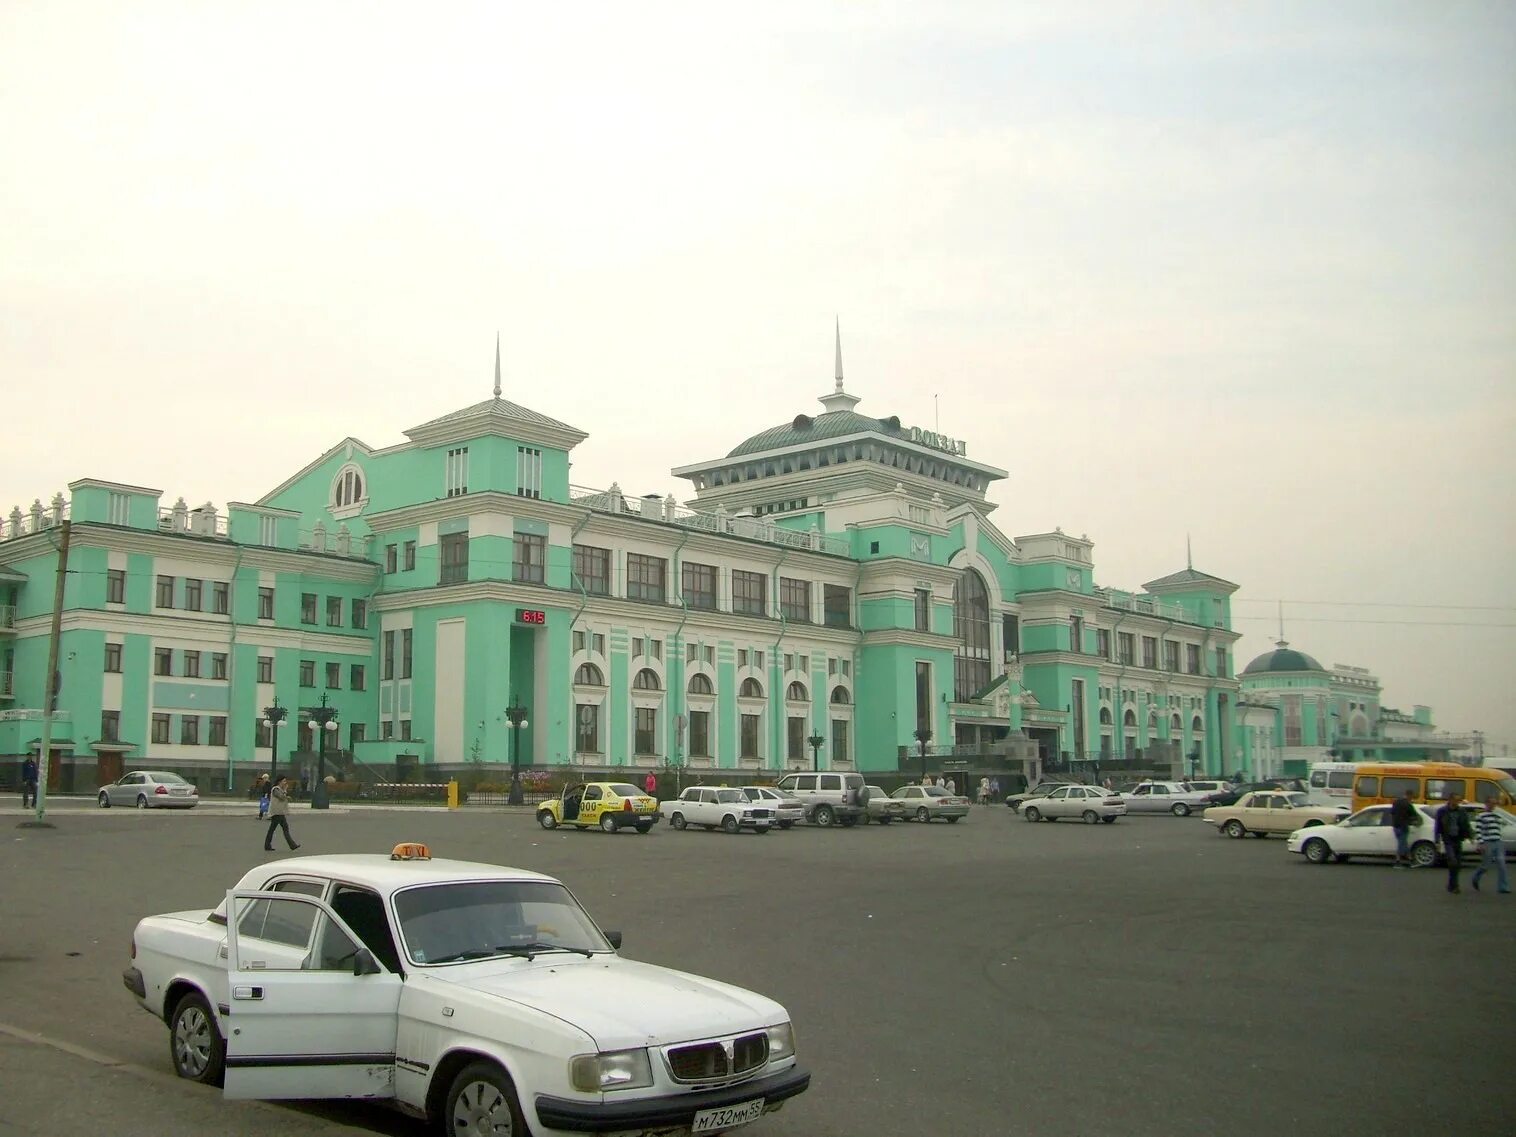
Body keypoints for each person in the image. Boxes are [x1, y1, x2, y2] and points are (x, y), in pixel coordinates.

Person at [1433, 793, 1473, 893]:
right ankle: (1455, 886)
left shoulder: (1461, 811)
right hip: (1448, 839)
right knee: (1453, 861)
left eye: (1458, 801)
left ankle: (1451, 884)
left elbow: (1466, 824)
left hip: (1458, 838)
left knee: (1457, 864)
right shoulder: (1442, 811)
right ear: (1450, 800)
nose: (1457, 803)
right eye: (1455, 800)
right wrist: (1437, 840)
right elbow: (1438, 826)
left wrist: (1470, 836)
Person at [1470, 798, 1510, 894]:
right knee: (1485, 866)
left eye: (1494, 803)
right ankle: (1475, 878)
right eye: (1491, 803)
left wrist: (1499, 812)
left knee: (1502, 865)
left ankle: (1503, 887)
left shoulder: (1496, 815)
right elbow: (1478, 830)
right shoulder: (1481, 816)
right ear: (1486, 803)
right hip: (1487, 842)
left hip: (1498, 842)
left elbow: (1505, 822)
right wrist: (1481, 843)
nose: (1493, 805)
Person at [263, 777, 300, 853]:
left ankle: (267, 845)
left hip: (279, 812)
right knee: (284, 828)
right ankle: (292, 845)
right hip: (277, 813)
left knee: (273, 829)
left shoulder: (279, 789)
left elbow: (283, 797)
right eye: (284, 781)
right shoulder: (276, 789)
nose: (285, 783)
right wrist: (285, 791)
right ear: (279, 782)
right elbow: (281, 797)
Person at [1389, 788, 1422, 868]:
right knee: (1402, 844)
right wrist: (1416, 822)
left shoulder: (1396, 802)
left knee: (1404, 844)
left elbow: (1391, 813)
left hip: (1395, 826)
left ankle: (1411, 861)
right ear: (1410, 796)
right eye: (1412, 797)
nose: (1412, 798)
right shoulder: (1408, 804)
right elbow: (1414, 815)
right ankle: (1397, 862)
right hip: (1403, 826)